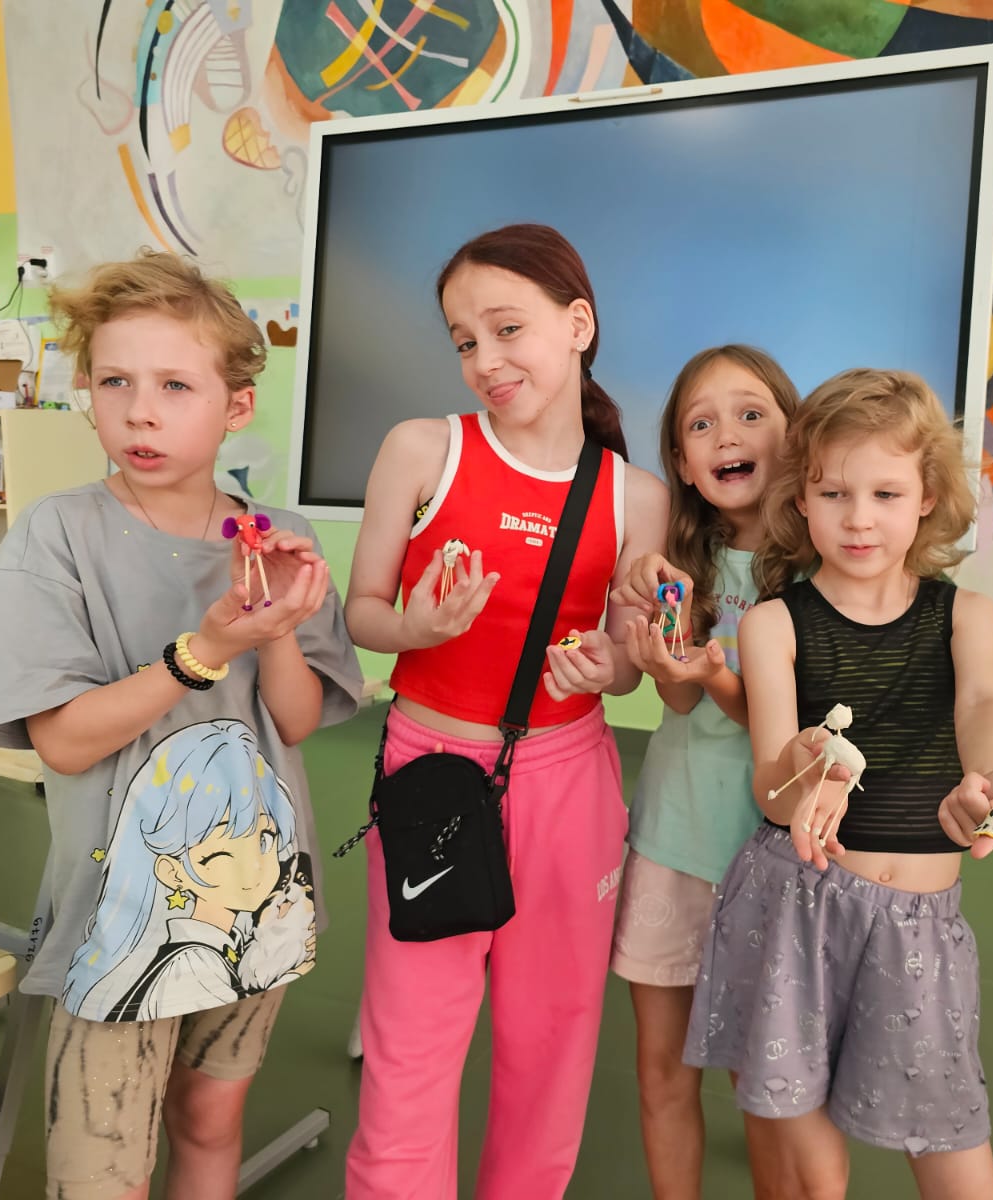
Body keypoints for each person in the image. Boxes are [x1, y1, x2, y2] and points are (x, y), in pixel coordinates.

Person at [0, 249, 362, 1200]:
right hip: (119, 915)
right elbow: (65, 741)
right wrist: (208, 647)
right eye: (115, 382)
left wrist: (277, 626)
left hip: (260, 898)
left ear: (235, 406)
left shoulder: (276, 538)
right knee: (101, 1167)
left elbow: (296, 721)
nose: (140, 411)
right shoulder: (56, 537)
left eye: (175, 385)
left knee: (210, 1120)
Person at [686, 368, 993, 1199]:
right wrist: (807, 767)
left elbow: (985, 702)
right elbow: (771, 787)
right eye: (834, 493)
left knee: (954, 1153)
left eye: (885, 494)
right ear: (802, 499)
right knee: (812, 1175)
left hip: (920, 926)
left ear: (927, 496)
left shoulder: (964, 615)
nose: (858, 518)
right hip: (795, 910)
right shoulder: (773, 624)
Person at [342, 223, 669, 1198]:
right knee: (409, 1049)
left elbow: (628, 667)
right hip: (430, 774)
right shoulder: (421, 449)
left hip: (569, 785)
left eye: (506, 329)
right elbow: (363, 613)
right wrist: (414, 625)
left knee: (552, 1047)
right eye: (463, 340)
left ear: (578, 325)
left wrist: (607, 667)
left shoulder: (635, 497)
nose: (485, 360)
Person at [607, 345, 799, 1197]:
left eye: (752, 413)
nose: (728, 434)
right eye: (702, 423)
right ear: (683, 464)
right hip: (673, 845)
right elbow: (681, 702)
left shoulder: (824, 572)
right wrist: (668, 658)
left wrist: (710, 674)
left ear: (795, 436)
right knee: (661, 1069)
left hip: (776, 862)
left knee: (760, 1080)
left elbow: (788, 732)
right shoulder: (679, 570)